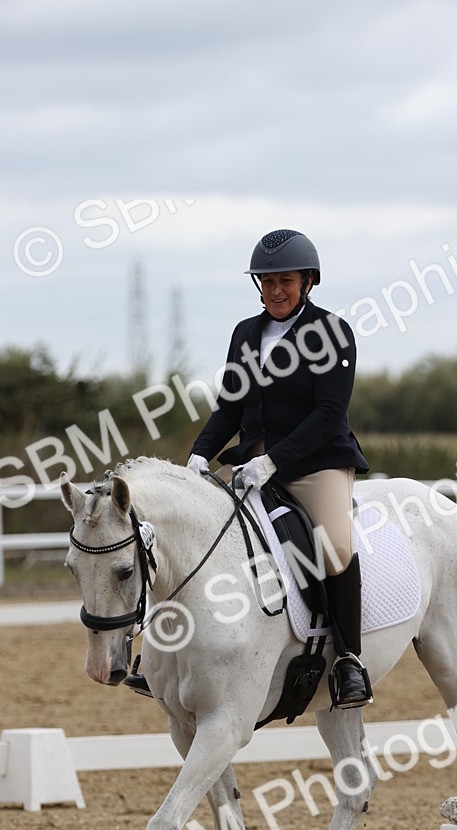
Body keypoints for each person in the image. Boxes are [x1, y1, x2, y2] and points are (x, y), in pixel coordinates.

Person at [186, 228, 372, 708]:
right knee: (198, 539)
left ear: (308, 281)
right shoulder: (245, 333)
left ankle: (350, 659)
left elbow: (328, 413)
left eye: (285, 281)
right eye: (266, 282)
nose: (275, 291)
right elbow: (229, 407)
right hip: (250, 464)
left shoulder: (331, 332)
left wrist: (274, 461)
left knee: (334, 544)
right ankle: (181, 660)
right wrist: (199, 456)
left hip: (315, 464)